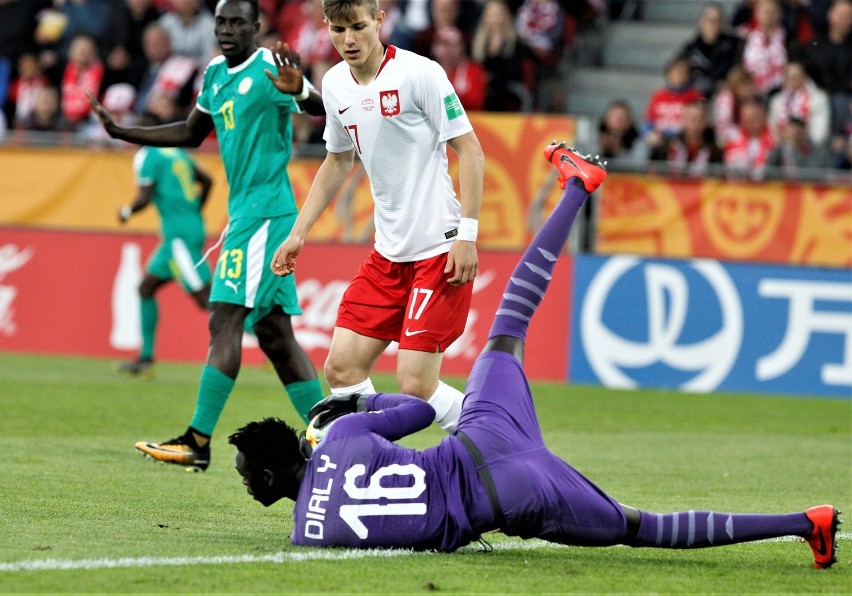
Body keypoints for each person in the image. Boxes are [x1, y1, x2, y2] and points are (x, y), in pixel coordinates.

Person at [229, 142, 840, 570]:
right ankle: (577, 185)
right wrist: (360, 402)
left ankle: (802, 521)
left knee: (640, 527)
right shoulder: (338, 440)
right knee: (506, 327)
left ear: (265, 480)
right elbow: (415, 410)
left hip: (508, 495)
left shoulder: (312, 533)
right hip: (478, 433)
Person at [87, 0, 327, 472]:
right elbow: (192, 131)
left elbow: (322, 108)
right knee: (275, 335)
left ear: (257, 27)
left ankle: (198, 439)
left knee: (224, 317)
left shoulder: (270, 69)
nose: (228, 29)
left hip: (266, 215)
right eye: (221, 21)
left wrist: (300, 92)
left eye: (239, 21)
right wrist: (125, 132)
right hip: (246, 216)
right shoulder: (215, 74)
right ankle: (330, 435)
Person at [270, 0, 485, 435]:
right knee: (342, 370)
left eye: (358, 27)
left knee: (415, 385)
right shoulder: (333, 84)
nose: (348, 40)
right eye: (337, 29)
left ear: (380, 21)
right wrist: (298, 233)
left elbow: (471, 151)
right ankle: (369, 463)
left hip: (438, 250)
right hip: (388, 254)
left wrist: (467, 234)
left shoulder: (419, 73)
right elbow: (336, 162)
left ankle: (497, 441)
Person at [114, 111, 214, 377]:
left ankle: (269, 345)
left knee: (209, 300)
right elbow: (208, 181)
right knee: (146, 287)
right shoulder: (176, 152)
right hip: (180, 233)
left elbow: (144, 197)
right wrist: (194, 211)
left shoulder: (148, 155)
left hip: (179, 238)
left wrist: (126, 212)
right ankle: (145, 358)